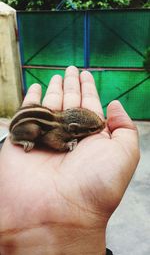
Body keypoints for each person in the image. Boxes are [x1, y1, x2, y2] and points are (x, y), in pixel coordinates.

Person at [0, 66, 140, 255]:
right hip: (23, 130)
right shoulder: (59, 131)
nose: (99, 129)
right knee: (33, 130)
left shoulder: (62, 120)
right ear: (74, 129)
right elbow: (54, 141)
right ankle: (19, 139)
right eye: (91, 130)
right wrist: (66, 146)